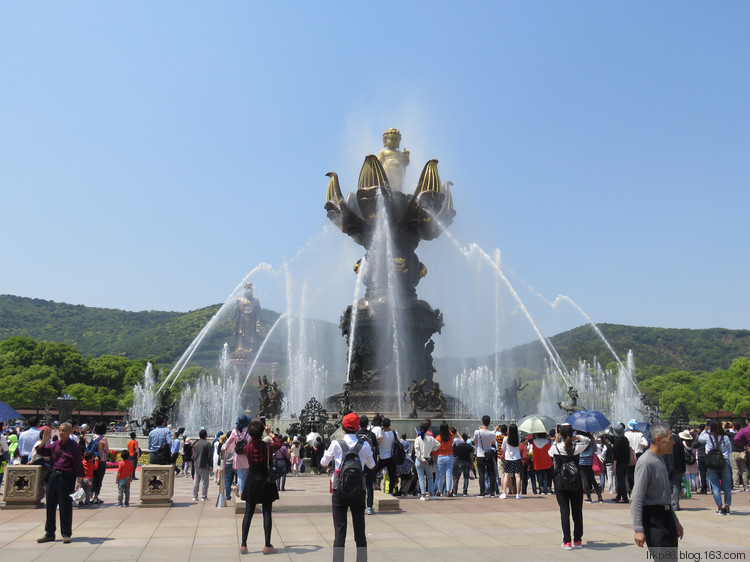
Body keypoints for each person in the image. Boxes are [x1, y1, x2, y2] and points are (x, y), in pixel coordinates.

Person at [320, 412, 375, 562]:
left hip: (339, 491)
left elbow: (323, 463)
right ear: (357, 427)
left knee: (340, 531)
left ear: (343, 427)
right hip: (359, 492)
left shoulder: (336, 444)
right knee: (360, 531)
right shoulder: (364, 445)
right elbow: (371, 465)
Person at [631, 423, 684, 555]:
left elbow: (665, 496)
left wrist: (675, 521)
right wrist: (638, 529)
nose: (674, 443)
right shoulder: (646, 462)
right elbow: (636, 498)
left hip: (666, 516)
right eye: (671, 438)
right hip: (654, 518)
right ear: (659, 439)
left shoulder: (660, 460)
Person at [35, 424, 85, 544]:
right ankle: (49, 533)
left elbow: (78, 463)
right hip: (53, 476)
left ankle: (66, 533)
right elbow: (40, 451)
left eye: (63, 430)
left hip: (66, 477)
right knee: (50, 505)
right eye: (60, 430)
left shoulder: (74, 446)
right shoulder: (55, 445)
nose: (61, 432)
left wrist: (79, 481)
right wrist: (44, 440)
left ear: (69, 432)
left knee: (65, 506)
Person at [239, 420, 282, 554]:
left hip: (252, 480)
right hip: (265, 480)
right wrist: (271, 433)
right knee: (267, 512)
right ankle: (267, 545)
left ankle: (244, 545)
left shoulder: (247, 447)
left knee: (248, 513)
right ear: (262, 432)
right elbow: (279, 444)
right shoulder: (267, 446)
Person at [549, 424, 590, 550]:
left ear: (560, 434)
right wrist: (575, 437)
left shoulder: (556, 447)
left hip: (561, 483)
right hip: (576, 482)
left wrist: (557, 438)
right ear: (572, 434)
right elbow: (588, 440)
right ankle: (577, 540)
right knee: (577, 512)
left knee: (564, 512)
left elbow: (549, 452)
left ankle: (567, 541)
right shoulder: (577, 447)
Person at [703, 420, 732, 515]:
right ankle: (727, 507)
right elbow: (730, 450)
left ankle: (719, 507)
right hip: (724, 463)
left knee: (715, 486)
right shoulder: (725, 437)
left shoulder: (707, 437)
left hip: (712, 464)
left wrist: (705, 429)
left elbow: (699, 439)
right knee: (727, 486)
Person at [355, 414, 379, 514]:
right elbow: (374, 449)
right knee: (369, 485)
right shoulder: (372, 435)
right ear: (367, 423)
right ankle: (369, 507)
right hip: (369, 463)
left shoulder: (356, 434)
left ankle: (359, 506)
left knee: (358, 485)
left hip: (358, 463)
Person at [377, 127, 410, 192]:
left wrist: (406, 157)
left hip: (398, 173)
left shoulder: (400, 153)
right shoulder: (383, 152)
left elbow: (406, 163)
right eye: (391, 139)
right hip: (388, 172)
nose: (393, 142)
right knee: (388, 184)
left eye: (396, 140)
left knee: (398, 186)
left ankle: (398, 193)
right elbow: (378, 163)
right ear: (385, 140)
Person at [225, 415, 250, 495]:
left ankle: (241, 491)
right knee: (246, 474)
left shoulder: (235, 431)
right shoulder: (249, 431)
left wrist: (224, 451)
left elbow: (228, 443)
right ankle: (243, 490)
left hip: (238, 455)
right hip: (247, 455)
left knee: (240, 474)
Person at [473, 415, 498, 497]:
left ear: (482, 422)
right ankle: (492, 492)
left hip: (480, 455)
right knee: (491, 473)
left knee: (481, 474)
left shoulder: (477, 432)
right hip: (489, 455)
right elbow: (493, 443)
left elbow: (474, 441)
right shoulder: (492, 434)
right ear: (489, 423)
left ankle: (482, 492)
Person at [414, 421, 439, 500]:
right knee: (430, 477)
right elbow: (438, 445)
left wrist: (422, 459)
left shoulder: (418, 439)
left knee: (421, 478)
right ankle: (431, 494)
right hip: (428, 459)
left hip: (419, 460)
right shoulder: (431, 438)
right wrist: (432, 449)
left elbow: (417, 451)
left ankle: (423, 495)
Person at [577, 431, 604, 503]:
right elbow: (595, 448)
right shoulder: (591, 438)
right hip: (590, 461)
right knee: (593, 479)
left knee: (584, 479)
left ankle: (589, 497)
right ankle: (599, 496)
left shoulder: (579, 438)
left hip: (582, 461)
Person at [373, 417, 397, 494]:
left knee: (374, 471)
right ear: (390, 424)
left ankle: (372, 484)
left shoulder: (381, 434)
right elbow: (398, 442)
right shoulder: (394, 433)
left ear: (382, 425)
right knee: (392, 476)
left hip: (383, 457)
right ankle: (390, 492)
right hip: (391, 457)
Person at [500, 423, 524, 499]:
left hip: (508, 459)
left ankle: (504, 493)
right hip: (517, 458)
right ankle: (518, 494)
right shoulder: (518, 439)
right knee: (517, 476)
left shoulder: (505, 439)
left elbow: (503, 448)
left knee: (506, 475)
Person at [89, 423, 109, 504]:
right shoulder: (103, 438)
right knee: (99, 479)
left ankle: (90, 496)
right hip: (101, 461)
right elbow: (107, 451)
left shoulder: (92, 437)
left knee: (92, 478)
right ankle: (96, 497)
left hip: (92, 460)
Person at [434, 422, 455, 497]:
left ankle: (439, 491)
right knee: (448, 474)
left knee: (440, 475)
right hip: (449, 456)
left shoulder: (438, 437)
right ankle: (448, 491)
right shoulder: (451, 436)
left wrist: (434, 455)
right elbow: (451, 433)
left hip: (440, 456)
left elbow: (435, 448)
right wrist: (448, 430)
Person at [612, 423, 631, 503]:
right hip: (625, 463)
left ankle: (624, 498)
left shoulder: (617, 442)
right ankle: (618, 496)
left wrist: (614, 465)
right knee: (621, 479)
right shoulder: (626, 440)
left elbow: (616, 455)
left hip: (619, 463)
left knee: (621, 481)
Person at [191, 429, 212, 501]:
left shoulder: (195, 444)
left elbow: (193, 455)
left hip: (196, 464)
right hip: (204, 464)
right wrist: (211, 465)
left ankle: (195, 496)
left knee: (196, 481)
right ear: (206, 435)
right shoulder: (207, 444)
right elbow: (210, 456)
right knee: (204, 481)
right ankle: (204, 496)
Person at [452, 432, 474, 496]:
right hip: (467, 462)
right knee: (466, 478)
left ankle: (454, 492)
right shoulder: (469, 447)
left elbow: (456, 454)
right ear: (467, 439)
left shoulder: (458, 446)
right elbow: (471, 456)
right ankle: (465, 492)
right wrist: (472, 464)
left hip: (459, 462)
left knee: (456, 478)